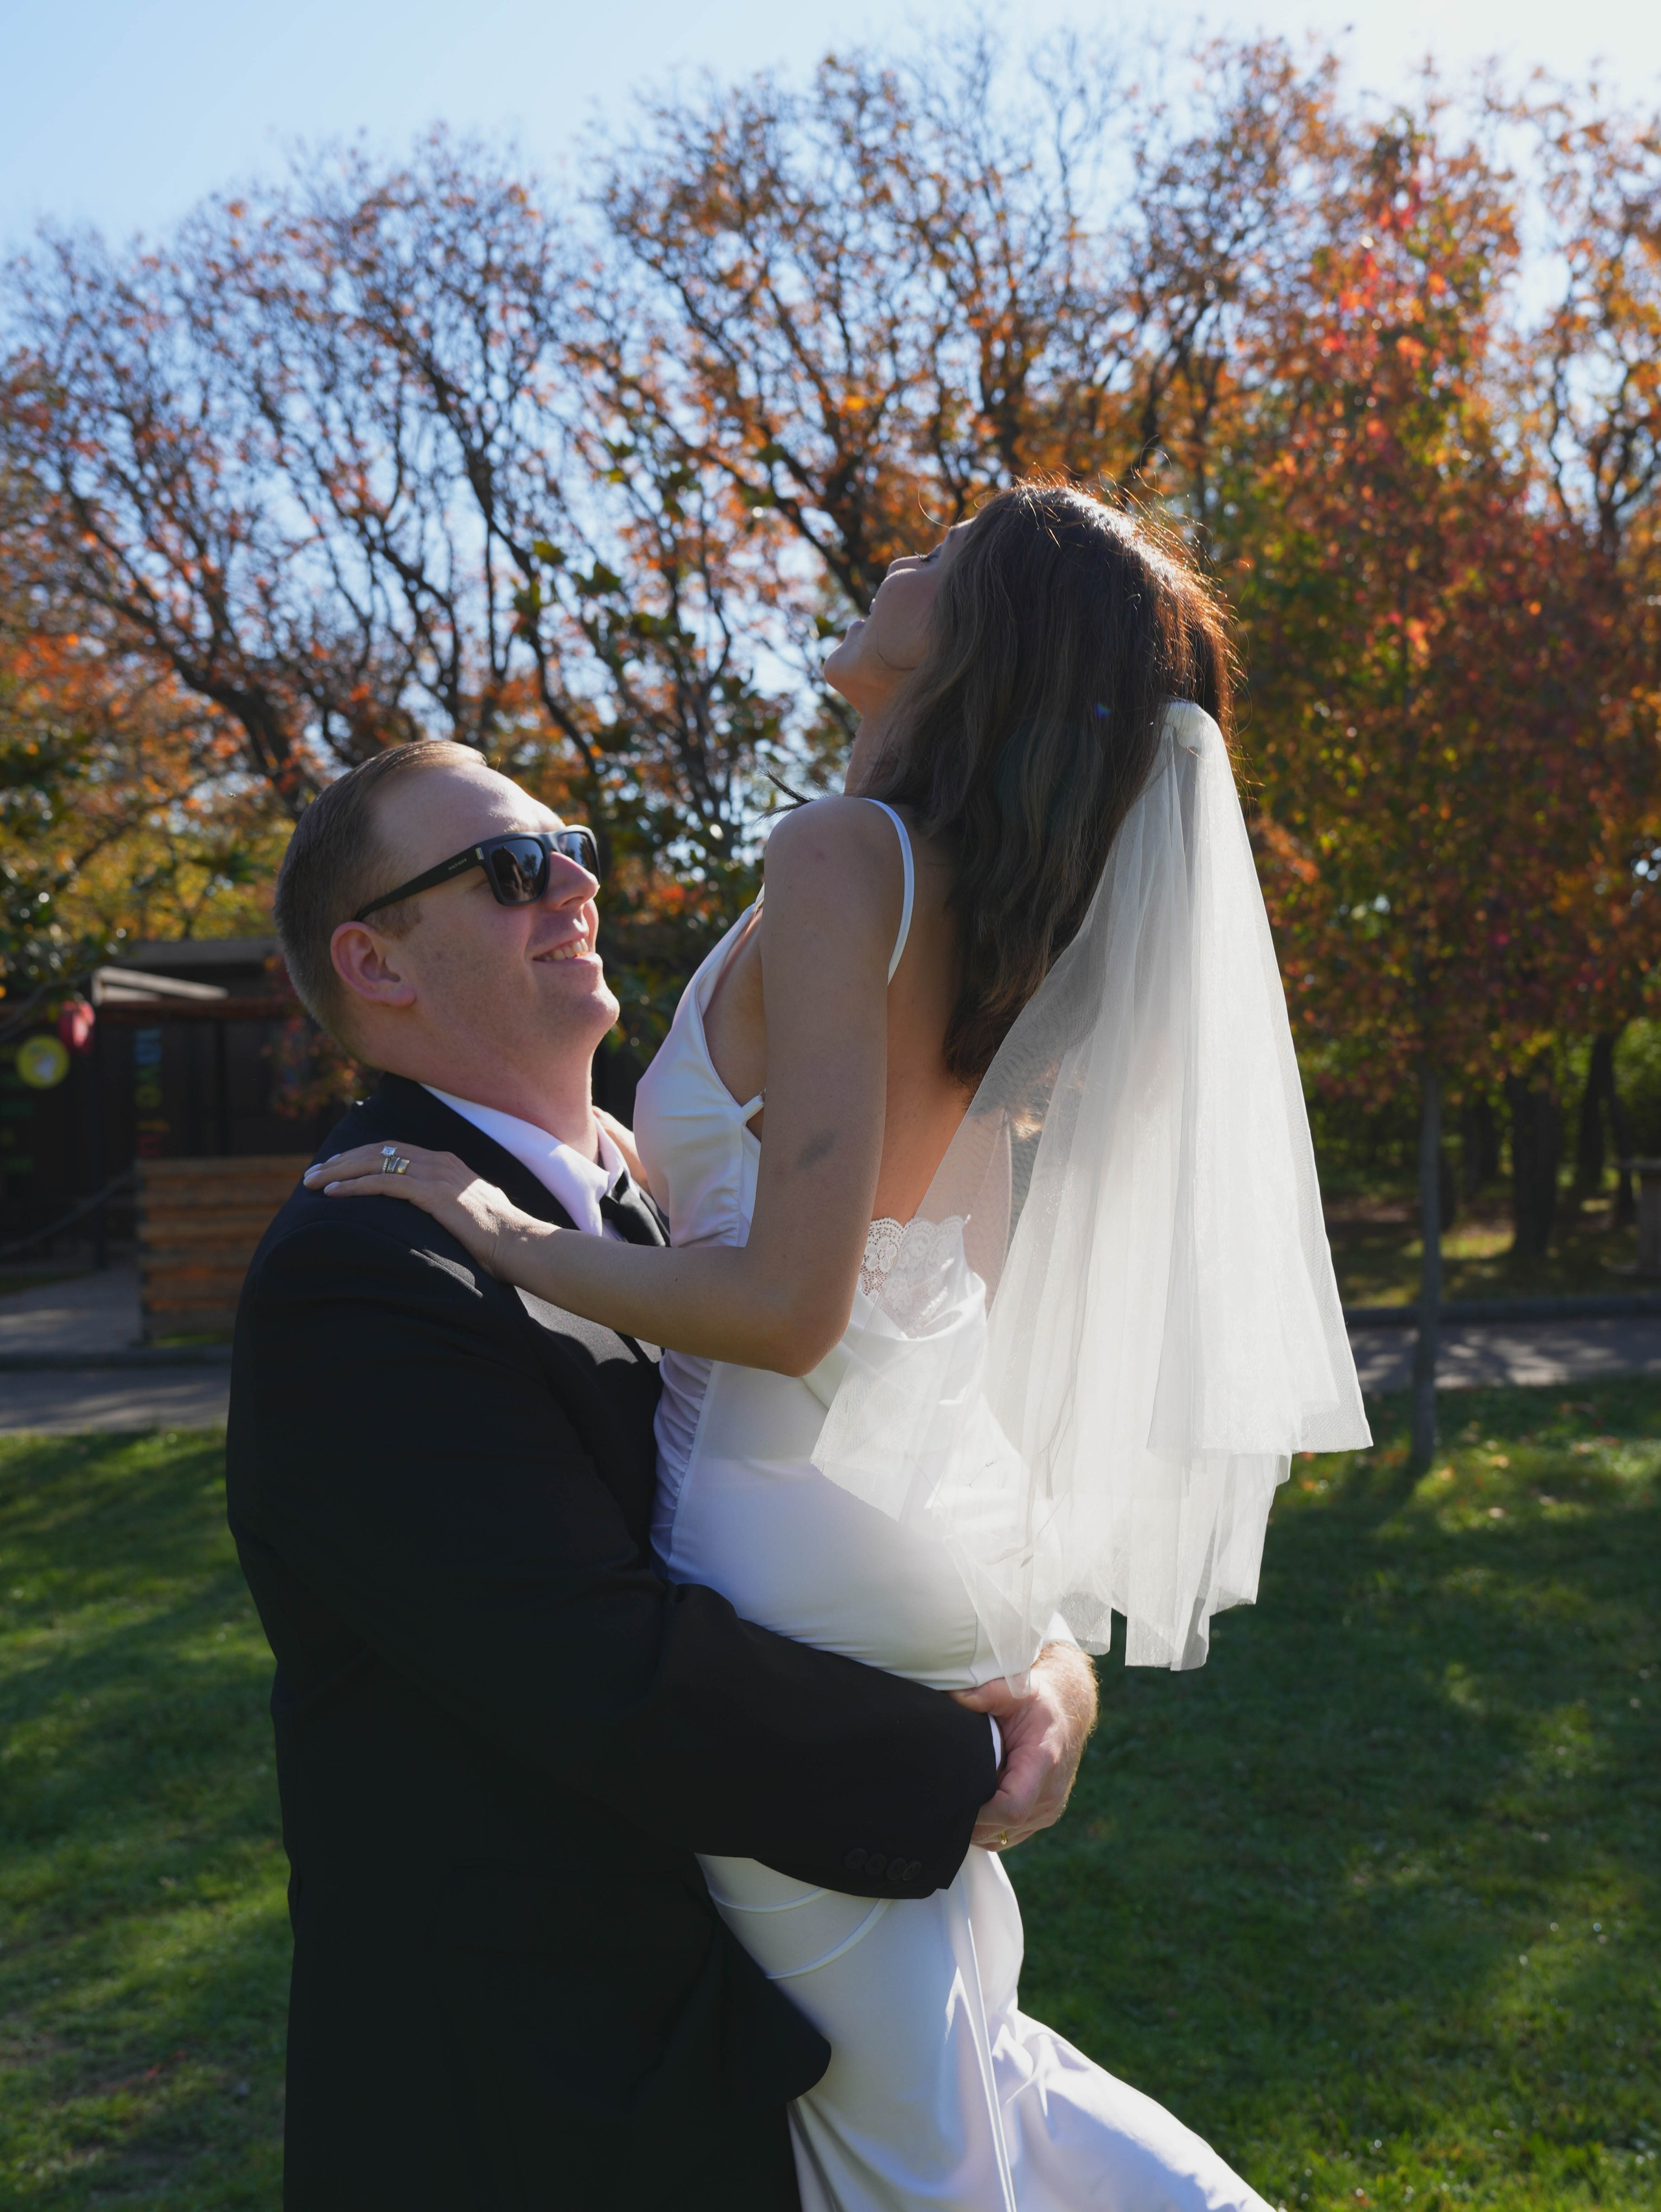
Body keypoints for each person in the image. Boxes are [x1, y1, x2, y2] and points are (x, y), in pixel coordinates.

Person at [311, 485, 1370, 2209]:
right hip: (938, 1543)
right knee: (963, 2057)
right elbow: (940, 1295)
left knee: (902, 2145)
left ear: (978, 641)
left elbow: (798, 1301)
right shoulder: (1001, 927)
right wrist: (1042, 1649)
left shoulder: (842, 860)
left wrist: (513, 1238)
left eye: (957, 551)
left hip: (779, 1531)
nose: (913, 549)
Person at [229, 727, 1100, 2211]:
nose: (571, 876)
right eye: (511, 868)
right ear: (376, 963)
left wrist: (1049, 1672)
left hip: (758, 2041)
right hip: (539, 2101)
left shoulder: (657, 1204)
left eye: (564, 844)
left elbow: (903, 1457)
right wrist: (960, 1765)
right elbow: (597, 1668)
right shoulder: (359, 1269)